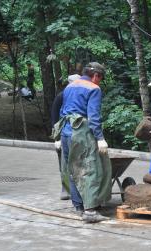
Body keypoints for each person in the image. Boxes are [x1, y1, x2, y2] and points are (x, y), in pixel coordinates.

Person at [52, 62, 112, 223]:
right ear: (96, 75)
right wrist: (100, 139)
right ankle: (90, 211)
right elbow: (93, 117)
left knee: (73, 168)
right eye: (100, 78)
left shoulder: (70, 87)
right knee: (90, 169)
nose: (100, 81)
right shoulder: (94, 88)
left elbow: (61, 110)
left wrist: (57, 137)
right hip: (81, 133)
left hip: (65, 131)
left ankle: (79, 206)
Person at [51, 74, 81, 200]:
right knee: (64, 163)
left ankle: (78, 189)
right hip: (63, 132)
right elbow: (54, 116)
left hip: (78, 133)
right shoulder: (61, 96)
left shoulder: (80, 96)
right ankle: (65, 188)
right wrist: (56, 138)